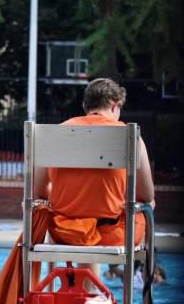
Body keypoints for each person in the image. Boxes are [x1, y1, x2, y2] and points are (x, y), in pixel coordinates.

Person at [34, 78, 155, 278]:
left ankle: (86, 292)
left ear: (85, 106)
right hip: (112, 235)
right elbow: (145, 194)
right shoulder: (130, 135)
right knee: (148, 203)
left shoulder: (53, 134)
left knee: (79, 216)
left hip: (65, 232)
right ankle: (104, 295)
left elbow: (37, 191)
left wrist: (71, 197)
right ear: (116, 105)